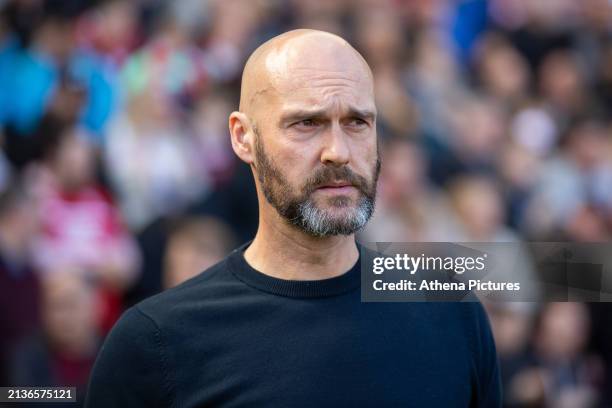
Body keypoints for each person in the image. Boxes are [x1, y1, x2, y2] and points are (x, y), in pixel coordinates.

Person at [85, 29, 501, 407]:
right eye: (307, 123)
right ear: (242, 137)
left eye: (357, 122)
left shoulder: (450, 310)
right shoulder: (157, 340)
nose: (338, 150)